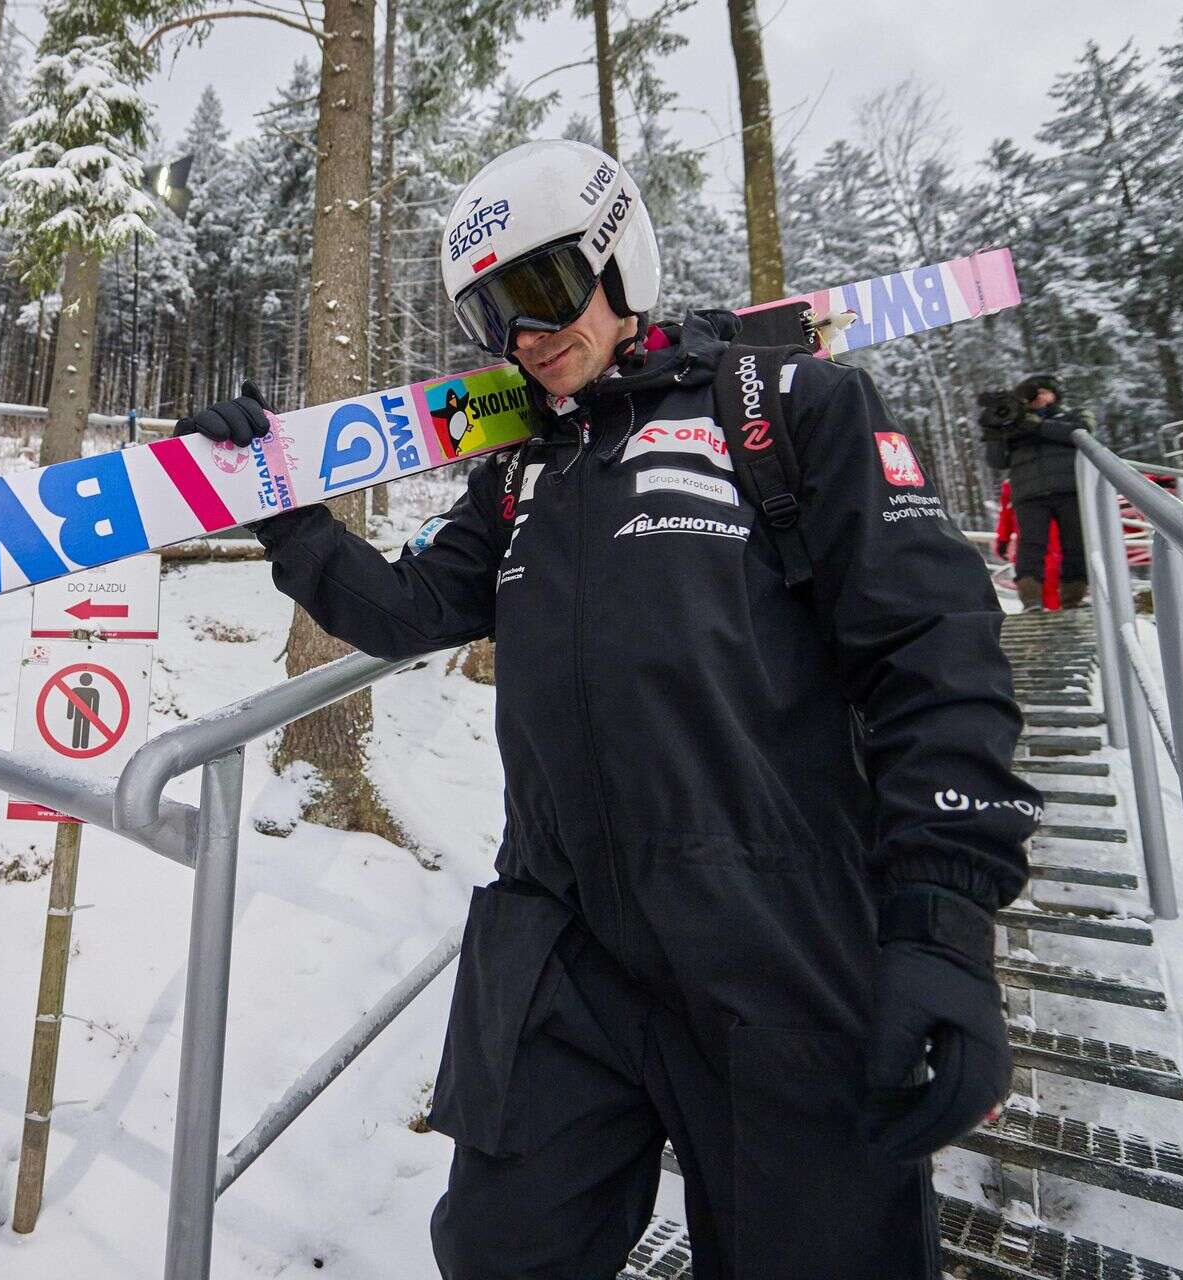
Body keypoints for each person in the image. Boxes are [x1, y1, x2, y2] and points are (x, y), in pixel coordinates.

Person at [178, 140, 1039, 1279]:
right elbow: (412, 603)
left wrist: (941, 923)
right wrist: (283, 511)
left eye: (538, 290)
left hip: (770, 927)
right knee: (499, 1249)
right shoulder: (525, 469)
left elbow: (934, 646)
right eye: (491, 315)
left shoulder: (782, 408)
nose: (524, 337)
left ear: (617, 254)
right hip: (564, 932)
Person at [983, 375, 1092, 610]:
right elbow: (997, 461)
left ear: (1055, 394)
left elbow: (1082, 433)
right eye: (1033, 393)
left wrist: (1037, 426)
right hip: (1028, 494)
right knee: (1031, 546)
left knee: (1075, 544)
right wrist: (994, 433)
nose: (1039, 397)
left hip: (1069, 489)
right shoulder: (1013, 425)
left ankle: (1073, 599)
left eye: (1043, 391)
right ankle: (1031, 600)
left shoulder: (1073, 416)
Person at [993, 478, 1063, 610]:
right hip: (1058, 548)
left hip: (1030, 547)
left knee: (1035, 582)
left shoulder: (1013, 484)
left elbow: (1006, 516)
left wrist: (1003, 542)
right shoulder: (1063, 480)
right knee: (1052, 586)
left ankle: (1044, 617)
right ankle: (1054, 616)